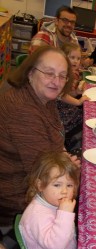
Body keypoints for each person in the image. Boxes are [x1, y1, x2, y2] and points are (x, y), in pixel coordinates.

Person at [0, 46, 80, 227]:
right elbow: (46, 176)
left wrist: (63, 156)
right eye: (49, 73)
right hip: (18, 196)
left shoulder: (42, 97)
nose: (56, 81)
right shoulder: (21, 110)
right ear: (30, 73)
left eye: (62, 75)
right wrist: (68, 166)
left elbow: (55, 137)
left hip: (40, 175)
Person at [20, 151, 80, 249]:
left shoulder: (51, 203)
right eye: (57, 185)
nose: (64, 191)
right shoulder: (37, 215)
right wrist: (65, 214)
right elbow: (56, 246)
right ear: (40, 185)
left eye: (70, 185)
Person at [58, 43, 90, 152]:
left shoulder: (71, 73)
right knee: (84, 118)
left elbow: (65, 93)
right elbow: (61, 95)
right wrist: (78, 101)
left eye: (78, 58)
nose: (75, 61)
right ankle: (73, 145)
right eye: (72, 57)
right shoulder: (63, 73)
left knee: (85, 116)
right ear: (63, 57)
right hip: (60, 111)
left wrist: (76, 92)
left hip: (65, 106)